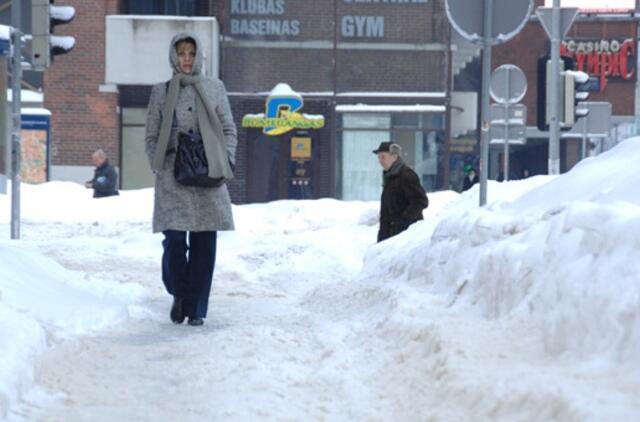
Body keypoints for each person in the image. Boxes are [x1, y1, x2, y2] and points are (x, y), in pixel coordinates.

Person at [144, 32, 237, 327]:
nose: (187, 59)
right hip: (173, 175)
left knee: (204, 243)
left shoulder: (214, 88)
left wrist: (227, 159)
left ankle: (196, 308)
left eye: (191, 54)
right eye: (182, 54)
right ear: (174, 56)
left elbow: (229, 129)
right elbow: (151, 133)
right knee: (173, 241)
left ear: (199, 57)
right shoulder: (162, 91)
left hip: (208, 174)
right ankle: (179, 294)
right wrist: (157, 163)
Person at [373, 142, 429, 242]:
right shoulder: (389, 176)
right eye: (379, 157)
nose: (380, 161)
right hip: (389, 235)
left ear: (394, 157)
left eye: (383, 157)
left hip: (405, 237)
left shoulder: (406, 175)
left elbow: (420, 201)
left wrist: (403, 222)